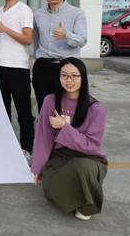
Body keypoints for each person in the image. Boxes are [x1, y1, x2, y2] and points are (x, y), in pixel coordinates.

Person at [31, 58, 107, 221]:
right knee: (49, 187)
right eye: (64, 75)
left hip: (88, 158)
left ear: (83, 78)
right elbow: (43, 137)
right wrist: (38, 167)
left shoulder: (96, 108)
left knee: (80, 167)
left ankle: (87, 205)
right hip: (60, 157)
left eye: (74, 76)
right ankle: (73, 192)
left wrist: (64, 128)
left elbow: (91, 146)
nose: (69, 80)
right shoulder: (50, 101)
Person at [0, 0, 34, 159]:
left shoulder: (24, 10)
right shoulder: (0, 11)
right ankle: (5, 146)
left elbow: (28, 39)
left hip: (18, 67)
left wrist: (4, 29)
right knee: (3, 110)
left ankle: (27, 149)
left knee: (23, 111)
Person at [33, 0, 87, 112]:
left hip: (67, 66)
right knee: (43, 106)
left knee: (66, 108)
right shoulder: (37, 14)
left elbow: (82, 40)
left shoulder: (77, 13)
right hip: (42, 66)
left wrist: (66, 35)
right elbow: (36, 39)